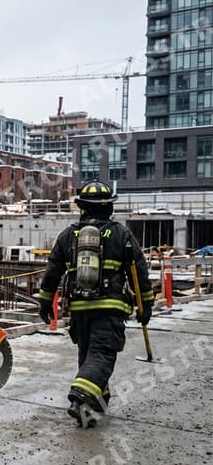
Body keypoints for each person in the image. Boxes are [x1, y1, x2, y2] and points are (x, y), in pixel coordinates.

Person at [36, 180, 153, 428]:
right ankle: (80, 398)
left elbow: (52, 273)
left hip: (79, 310)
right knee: (101, 355)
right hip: (109, 309)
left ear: (82, 207)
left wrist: (45, 304)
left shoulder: (68, 235)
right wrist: (146, 306)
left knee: (89, 355)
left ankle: (95, 406)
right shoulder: (121, 234)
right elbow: (139, 272)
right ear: (109, 208)